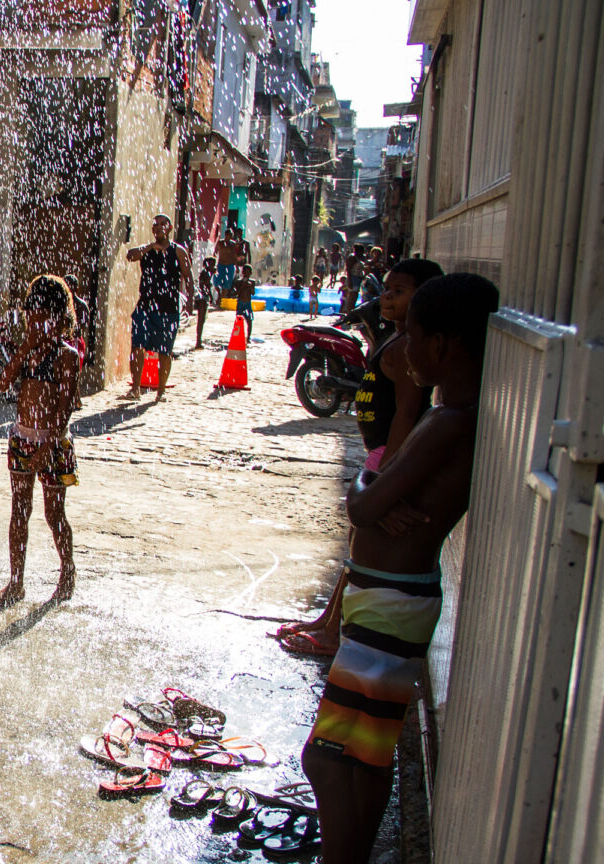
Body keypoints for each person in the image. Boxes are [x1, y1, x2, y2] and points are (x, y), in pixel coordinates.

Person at [303, 273, 498, 864]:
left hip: (388, 602)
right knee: (367, 751)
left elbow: (362, 503)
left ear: (441, 345)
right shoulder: (459, 416)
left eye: (410, 335)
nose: (401, 349)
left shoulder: (445, 424)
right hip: (397, 598)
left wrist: (372, 482)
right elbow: (375, 501)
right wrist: (379, 491)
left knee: (326, 758)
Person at [276, 259, 444, 658]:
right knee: (354, 545)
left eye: (399, 292)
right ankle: (328, 620)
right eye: (386, 289)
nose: (386, 297)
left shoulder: (406, 349)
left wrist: (389, 477)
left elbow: (406, 411)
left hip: (389, 455)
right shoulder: (393, 338)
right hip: (381, 454)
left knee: (361, 550)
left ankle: (335, 629)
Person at [0, 276, 80, 606]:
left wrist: (47, 446)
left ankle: (67, 571)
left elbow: (64, 407)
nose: (35, 322)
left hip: (52, 444)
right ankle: (16, 582)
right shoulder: (28, 352)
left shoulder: (66, 356)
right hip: (22, 438)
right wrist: (25, 348)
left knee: (54, 514)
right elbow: (2, 383)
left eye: (41, 316)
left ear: (59, 318)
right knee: (19, 512)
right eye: (31, 316)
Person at [122, 215, 192, 402]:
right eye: (156, 224)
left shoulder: (178, 251)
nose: (159, 227)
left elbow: (188, 276)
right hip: (145, 306)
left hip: (168, 309)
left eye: (163, 224)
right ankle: (135, 389)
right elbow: (130, 256)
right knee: (137, 347)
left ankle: (161, 391)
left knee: (164, 351)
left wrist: (190, 303)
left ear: (169, 228)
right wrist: (150, 247)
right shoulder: (147, 250)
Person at [215, 227, 245, 300]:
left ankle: (221, 298)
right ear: (225, 234)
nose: (230, 236)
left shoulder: (233, 244)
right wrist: (214, 264)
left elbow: (234, 256)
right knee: (217, 282)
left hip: (230, 265)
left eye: (231, 235)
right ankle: (219, 295)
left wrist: (237, 267)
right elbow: (215, 253)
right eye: (229, 235)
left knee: (227, 283)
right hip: (221, 265)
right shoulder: (220, 243)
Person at [195, 257, 217, 349]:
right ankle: (198, 341)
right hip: (202, 299)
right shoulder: (206, 273)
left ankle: (198, 340)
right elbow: (205, 286)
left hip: (203, 298)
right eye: (212, 264)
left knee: (201, 320)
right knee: (201, 320)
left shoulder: (206, 272)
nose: (213, 266)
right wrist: (211, 297)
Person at [233, 264, 257, 341]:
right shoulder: (238, 282)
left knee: (249, 320)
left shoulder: (252, 282)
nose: (246, 274)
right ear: (242, 272)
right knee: (239, 321)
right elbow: (236, 293)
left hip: (247, 303)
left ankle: (248, 337)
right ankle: (238, 337)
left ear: (251, 273)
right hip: (240, 302)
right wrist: (243, 286)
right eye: (245, 272)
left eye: (248, 272)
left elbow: (253, 293)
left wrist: (249, 287)